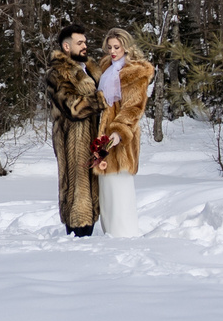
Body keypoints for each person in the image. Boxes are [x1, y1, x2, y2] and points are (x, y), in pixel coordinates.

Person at [94, 27, 155, 239]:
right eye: (109, 47)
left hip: (121, 138)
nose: (112, 51)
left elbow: (134, 107)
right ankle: (109, 233)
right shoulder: (105, 69)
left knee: (120, 187)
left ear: (126, 47)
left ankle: (125, 235)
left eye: (117, 47)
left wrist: (119, 131)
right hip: (103, 135)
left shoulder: (134, 73)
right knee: (106, 189)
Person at [46, 25, 104, 237]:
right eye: (80, 43)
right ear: (66, 46)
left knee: (94, 189)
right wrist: (100, 100)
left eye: (85, 42)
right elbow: (73, 107)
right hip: (73, 139)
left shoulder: (92, 69)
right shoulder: (57, 74)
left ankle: (89, 229)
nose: (85, 46)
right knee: (77, 191)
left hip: (96, 140)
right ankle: (76, 234)